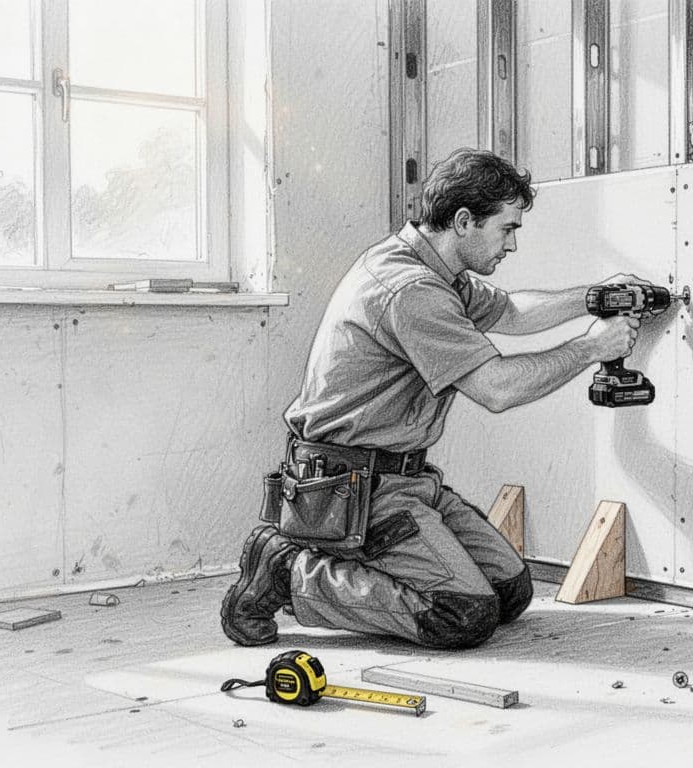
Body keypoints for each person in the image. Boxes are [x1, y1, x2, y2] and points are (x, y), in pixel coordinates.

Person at [221, 148, 643, 649]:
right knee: (461, 614)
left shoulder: (438, 271)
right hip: (353, 488)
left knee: (510, 591)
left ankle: (357, 563)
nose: (512, 245)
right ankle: (286, 569)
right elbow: (497, 389)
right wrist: (591, 348)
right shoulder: (411, 290)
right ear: (464, 221)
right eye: (507, 229)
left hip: (402, 477)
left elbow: (512, 314)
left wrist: (597, 297)